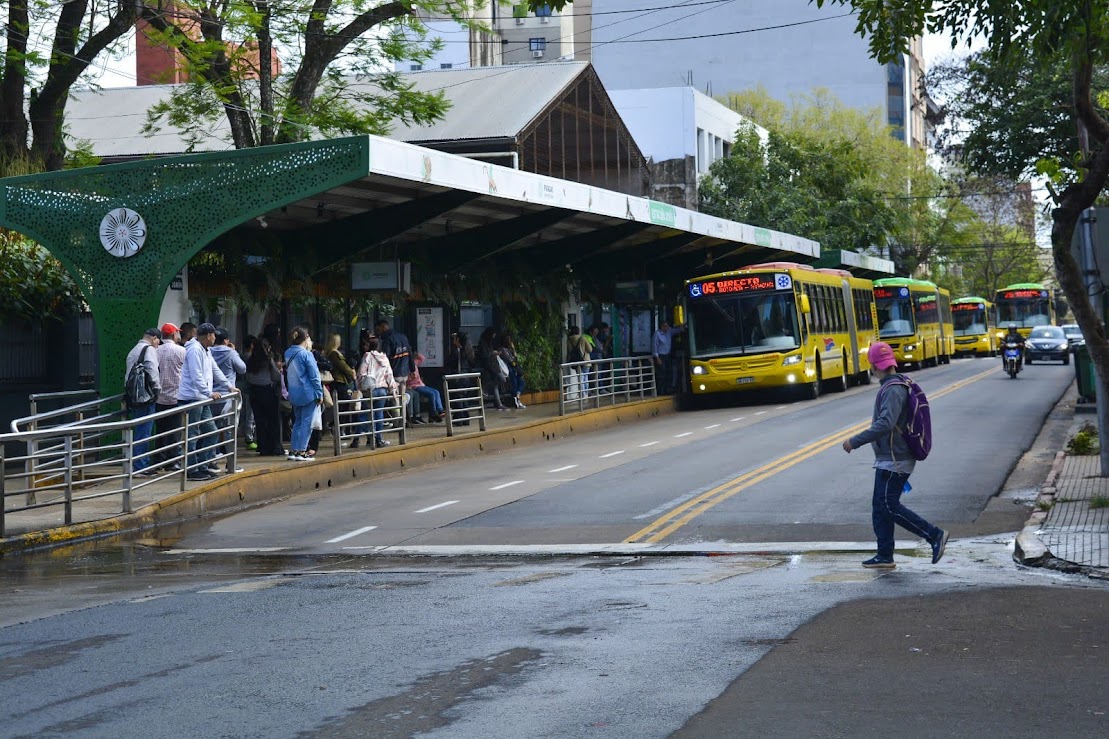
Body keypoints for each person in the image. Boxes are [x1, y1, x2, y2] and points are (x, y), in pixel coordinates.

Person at [841, 342, 948, 570]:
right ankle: (884, 555)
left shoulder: (892, 389)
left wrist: (855, 441)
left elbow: (885, 424)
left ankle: (934, 535)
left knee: (888, 506)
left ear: (873, 366)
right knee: (880, 507)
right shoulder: (896, 384)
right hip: (890, 457)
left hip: (896, 459)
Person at [177, 323, 228, 480]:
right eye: (213, 335)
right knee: (192, 434)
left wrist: (228, 386)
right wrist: (209, 392)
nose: (215, 338)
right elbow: (196, 375)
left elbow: (215, 370)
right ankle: (192, 470)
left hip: (202, 398)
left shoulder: (206, 351)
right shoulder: (194, 350)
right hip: (192, 398)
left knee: (211, 432)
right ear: (208, 336)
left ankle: (202, 466)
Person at [124, 328, 161, 474]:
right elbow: (152, 370)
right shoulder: (149, 350)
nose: (159, 343)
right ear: (153, 338)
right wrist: (157, 389)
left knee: (139, 428)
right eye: (158, 340)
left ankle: (138, 463)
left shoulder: (134, 350)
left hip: (134, 396)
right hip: (146, 396)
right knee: (144, 431)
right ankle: (141, 465)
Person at [283, 326, 324, 462]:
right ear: (305, 339)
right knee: (307, 423)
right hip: (308, 393)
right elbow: (314, 376)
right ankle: (302, 451)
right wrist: (319, 393)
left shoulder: (288, 353)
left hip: (294, 393)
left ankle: (294, 450)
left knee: (297, 422)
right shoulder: (307, 354)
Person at [211, 327, 247, 474]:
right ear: (226, 340)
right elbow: (242, 368)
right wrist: (234, 352)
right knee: (229, 430)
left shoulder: (208, 351)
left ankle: (210, 462)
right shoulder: (231, 353)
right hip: (227, 397)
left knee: (211, 430)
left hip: (211, 396)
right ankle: (230, 463)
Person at [152, 322, 186, 472]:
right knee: (174, 431)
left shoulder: (155, 350)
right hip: (175, 396)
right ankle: (172, 461)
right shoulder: (181, 351)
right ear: (173, 335)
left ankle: (159, 458)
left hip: (158, 397)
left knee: (160, 430)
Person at [355, 335, 397, 448]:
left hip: (370, 390)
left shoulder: (367, 356)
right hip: (382, 390)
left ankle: (356, 439)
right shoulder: (384, 358)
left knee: (364, 414)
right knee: (379, 414)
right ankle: (378, 439)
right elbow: (389, 375)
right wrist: (393, 389)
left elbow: (361, 373)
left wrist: (359, 386)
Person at [245, 338, 284, 456]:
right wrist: (280, 370)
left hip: (254, 392)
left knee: (260, 421)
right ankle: (275, 447)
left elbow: (247, 376)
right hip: (267, 391)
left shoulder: (250, 360)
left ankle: (263, 446)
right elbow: (276, 376)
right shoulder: (268, 360)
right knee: (273, 421)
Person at [446, 332, 476, 425]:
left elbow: (451, 363)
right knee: (464, 396)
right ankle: (465, 418)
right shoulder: (467, 350)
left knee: (458, 397)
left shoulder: (457, 351)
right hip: (466, 376)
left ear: (458, 339)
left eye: (455, 338)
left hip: (458, 376)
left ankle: (459, 418)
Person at [476, 327, 508, 410]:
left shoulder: (488, 342)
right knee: (501, 380)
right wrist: (493, 353)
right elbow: (484, 355)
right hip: (490, 366)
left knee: (496, 385)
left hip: (493, 365)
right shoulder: (483, 343)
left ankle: (498, 403)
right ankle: (486, 389)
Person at [409, 352, 444, 422]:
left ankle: (440, 410)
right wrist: (410, 377)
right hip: (414, 386)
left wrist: (415, 354)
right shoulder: (406, 367)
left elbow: (422, 358)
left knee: (436, 392)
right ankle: (433, 413)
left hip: (421, 385)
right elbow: (406, 379)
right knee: (431, 394)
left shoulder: (414, 363)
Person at [652, 320, 680, 395]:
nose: (667, 328)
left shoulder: (669, 332)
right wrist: (657, 358)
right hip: (660, 356)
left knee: (668, 372)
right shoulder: (657, 334)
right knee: (661, 374)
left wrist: (683, 326)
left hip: (667, 355)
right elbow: (655, 346)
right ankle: (661, 391)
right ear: (662, 327)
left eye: (667, 326)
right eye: (665, 326)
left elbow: (677, 330)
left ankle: (668, 389)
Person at [499, 333, 526, 409]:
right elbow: (511, 360)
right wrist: (514, 361)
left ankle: (517, 397)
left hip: (514, 368)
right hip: (509, 369)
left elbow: (515, 358)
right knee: (514, 383)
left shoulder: (509, 350)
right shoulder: (502, 350)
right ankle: (516, 399)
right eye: (508, 340)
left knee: (521, 381)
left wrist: (513, 349)